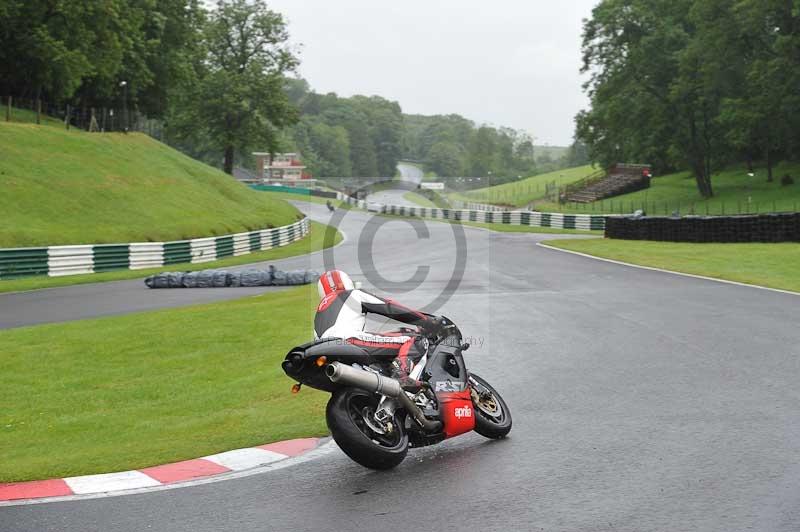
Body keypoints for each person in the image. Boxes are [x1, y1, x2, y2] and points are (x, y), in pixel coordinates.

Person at [314, 270, 441, 389]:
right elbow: (389, 307)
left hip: (325, 353)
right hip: (348, 341)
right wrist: (427, 321)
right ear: (346, 282)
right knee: (415, 340)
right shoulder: (352, 294)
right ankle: (401, 375)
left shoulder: (319, 313)